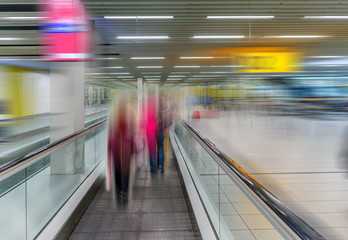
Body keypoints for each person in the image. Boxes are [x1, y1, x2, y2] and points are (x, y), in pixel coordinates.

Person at [108, 95, 136, 200]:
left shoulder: (113, 114)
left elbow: (111, 131)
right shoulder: (131, 112)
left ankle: (118, 191)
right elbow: (133, 131)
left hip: (116, 146)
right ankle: (125, 191)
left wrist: (110, 146)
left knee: (117, 168)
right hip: (126, 146)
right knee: (126, 169)